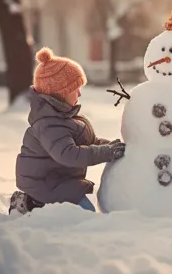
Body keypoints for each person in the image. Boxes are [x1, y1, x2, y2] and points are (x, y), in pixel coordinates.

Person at [10, 48, 125, 215]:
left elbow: (88, 143)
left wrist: (112, 146)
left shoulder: (63, 116)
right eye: (74, 89)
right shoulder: (49, 124)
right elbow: (69, 154)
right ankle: (31, 203)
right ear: (60, 94)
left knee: (85, 212)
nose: (79, 93)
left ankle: (35, 203)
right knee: (85, 214)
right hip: (45, 184)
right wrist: (106, 152)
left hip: (58, 179)